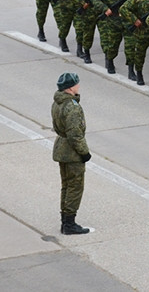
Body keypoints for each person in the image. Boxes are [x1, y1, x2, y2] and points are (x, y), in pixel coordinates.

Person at [52, 72, 91, 235]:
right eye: (76, 84)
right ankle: (69, 223)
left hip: (62, 149)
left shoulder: (57, 102)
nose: (78, 86)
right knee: (75, 187)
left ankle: (65, 220)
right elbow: (75, 134)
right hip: (72, 152)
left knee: (66, 186)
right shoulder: (72, 107)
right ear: (70, 88)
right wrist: (84, 153)